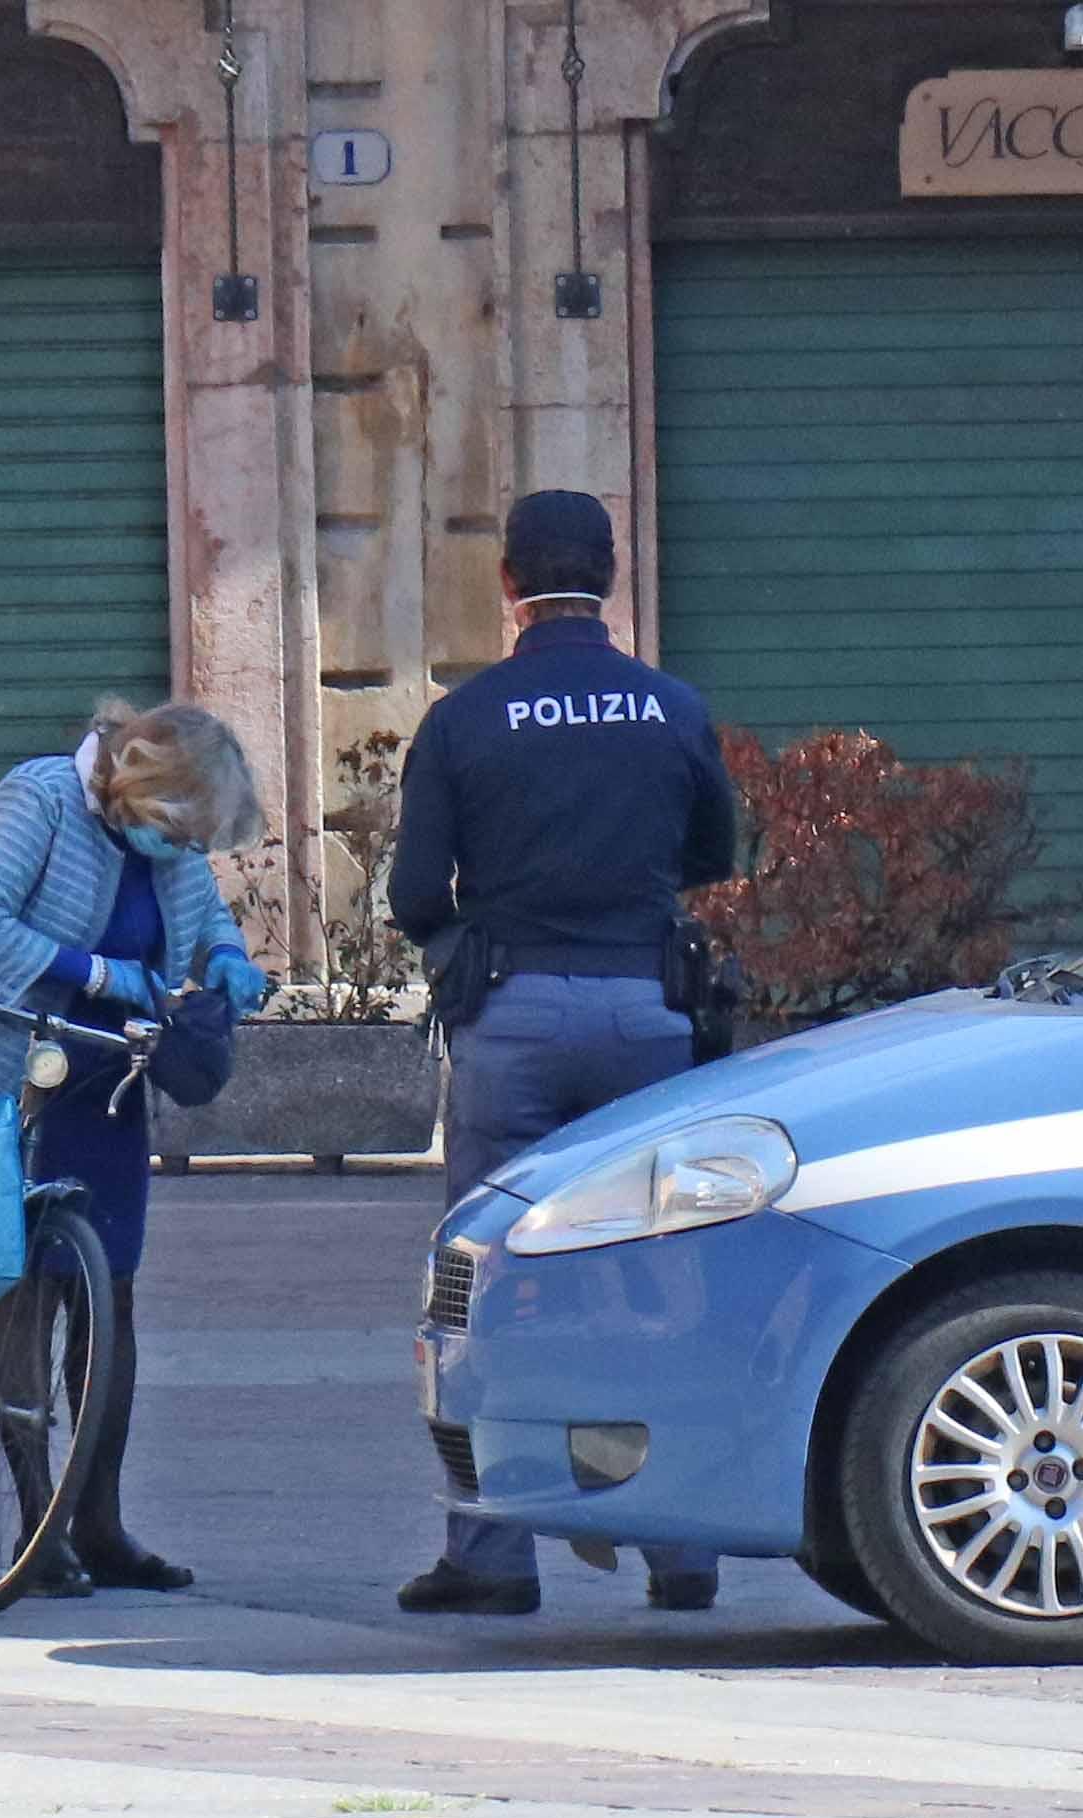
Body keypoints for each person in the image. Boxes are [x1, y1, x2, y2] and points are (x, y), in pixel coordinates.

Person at [388, 488, 743, 1618]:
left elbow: (410, 892)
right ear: (613, 574)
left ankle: (490, 1557)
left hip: (514, 1021)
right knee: (670, 1279)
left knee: (492, 1286)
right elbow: (711, 855)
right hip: (649, 1016)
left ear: (506, 581)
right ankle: (683, 1546)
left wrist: (471, 948)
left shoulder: (465, 717)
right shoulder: (670, 706)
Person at [0, 698, 271, 1596]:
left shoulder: (169, 844)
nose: (186, 849)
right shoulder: (39, 799)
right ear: (138, 791)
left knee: (108, 1301)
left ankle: (100, 1522)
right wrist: (100, 973)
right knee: (22, 1297)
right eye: (179, 830)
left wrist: (226, 957)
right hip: (6, 1074)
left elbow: (198, 913)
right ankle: (39, 1523)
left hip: (106, 1081)